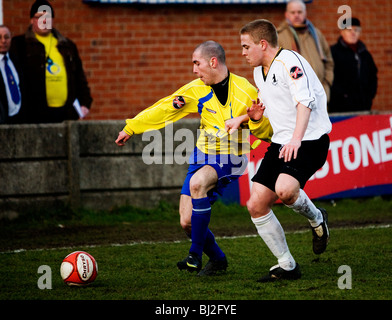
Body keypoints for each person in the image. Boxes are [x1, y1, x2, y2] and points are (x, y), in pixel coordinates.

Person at [115, 40, 272, 276]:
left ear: (213, 62)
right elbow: (165, 108)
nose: (194, 70)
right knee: (186, 221)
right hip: (202, 155)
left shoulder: (246, 92)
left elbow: (267, 129)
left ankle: (194, 254)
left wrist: (257, 122)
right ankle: (218, 260)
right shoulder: (196, 89)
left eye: (196, 63)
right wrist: (132, 127)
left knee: (198, 184)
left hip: (232, 156)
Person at [240, 19, 332, 282]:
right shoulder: (260, 71)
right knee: (255, 205)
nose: (243, 52)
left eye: (246, 46)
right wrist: (249, 119)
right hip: (282, 142)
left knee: (285, 189)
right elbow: (275, 107)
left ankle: (317, 218)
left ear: (263, 44)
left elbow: (305, 102)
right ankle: (287, 265)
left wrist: (296, 139)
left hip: (310, 140)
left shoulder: (290, 61)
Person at [9, 0, 92, 123]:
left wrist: (85, 103)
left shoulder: (67, 46)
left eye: (47, 17)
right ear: (32, 20)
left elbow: (80, 77)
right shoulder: (20, 45)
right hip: (34, 114)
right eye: (39, 17)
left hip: (66, 112)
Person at [277, 0, 334, 102]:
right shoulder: (279, 36)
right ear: (286, 14)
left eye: (299, 12)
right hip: (295, 96)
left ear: (305, 13)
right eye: (293, 12)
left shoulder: (316, 33)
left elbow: (328, 61)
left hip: (320, 93)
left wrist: (326, 84)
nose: (296, 15)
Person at [329, 17, 378, 113]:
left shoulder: (364, 53)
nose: (353, 33)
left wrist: (369, 95)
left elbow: (373, 75)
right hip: (340, 108)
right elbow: (329, 77)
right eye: (349, 30)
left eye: (356, 30)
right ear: (341, 32)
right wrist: (342, 96)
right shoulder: (333, 52)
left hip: (363, 106)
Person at [0, 25, 24, 124]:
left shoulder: (16, 60)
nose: (3, 41)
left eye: (6, 37)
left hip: (18, 118)